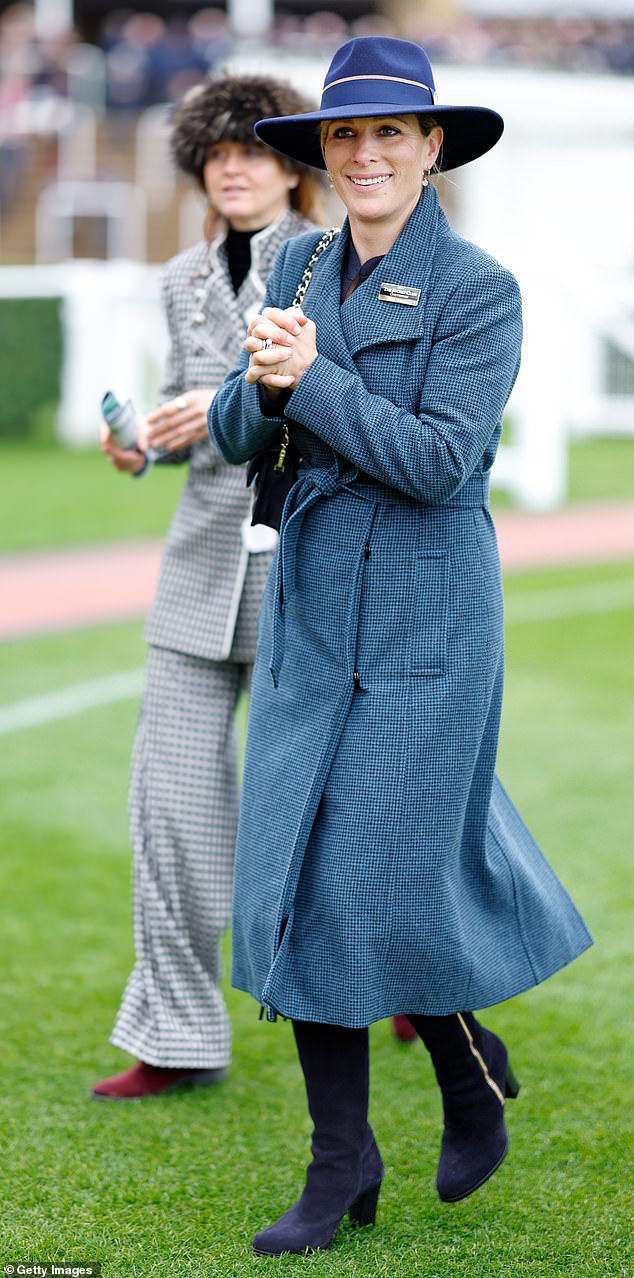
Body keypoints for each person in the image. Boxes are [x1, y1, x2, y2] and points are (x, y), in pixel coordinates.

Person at [208, 35, 593, 1255]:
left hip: (429, 614)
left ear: (433, 149)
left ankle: (463, 1086)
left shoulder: (479, 290)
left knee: (382, 873)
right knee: (305, 874)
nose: (364, 154)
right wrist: (265, 388)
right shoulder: (298, 258)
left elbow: (437, 464)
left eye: (389, 134)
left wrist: (311, 380)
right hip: (317, 607)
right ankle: (346, 1162)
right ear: (321, 154)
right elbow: (231, 429)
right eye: (343, 135)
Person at [92, 75, 320, 1100]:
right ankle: (177, 1038)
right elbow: (189, 436)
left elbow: (323, 411)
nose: (233, 168)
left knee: (338, 807)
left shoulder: (329, 262)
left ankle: (414, 981)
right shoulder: (182, 274)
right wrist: (142, 445)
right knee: (169, 808)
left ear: (289, 166)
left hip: (304, 572)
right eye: (216, 154)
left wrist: (214, 404)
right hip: (194, 576)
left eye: (254, 151)